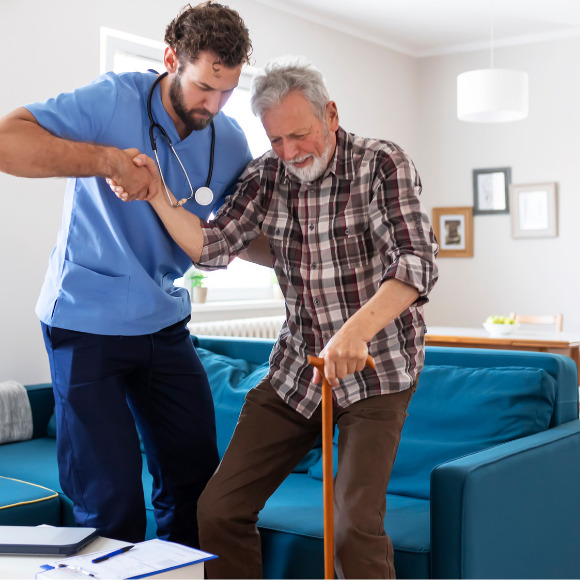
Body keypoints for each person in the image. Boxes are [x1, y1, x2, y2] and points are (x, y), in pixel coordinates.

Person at [112, 57, 439, 577]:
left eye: (299, 134)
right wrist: (157, 195)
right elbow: (213, 247)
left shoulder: (382, 163)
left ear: (330, 115)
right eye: (277, 139)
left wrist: (355, 332)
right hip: (297, 371)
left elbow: (418, 262)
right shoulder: (267, 174)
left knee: (354, 524)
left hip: (378, 370)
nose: (289, 152)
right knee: (218, 510)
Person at [0, 2, 254, 547]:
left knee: (195, 485)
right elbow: (7, 142)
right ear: (170, 59)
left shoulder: (230, 140)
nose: (213, 104)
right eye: (204, 87)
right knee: (109, 500)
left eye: (227, 90)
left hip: (163, 322)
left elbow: (239, 235)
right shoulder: (114, 98)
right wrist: (108, 162)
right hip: (84, 319)